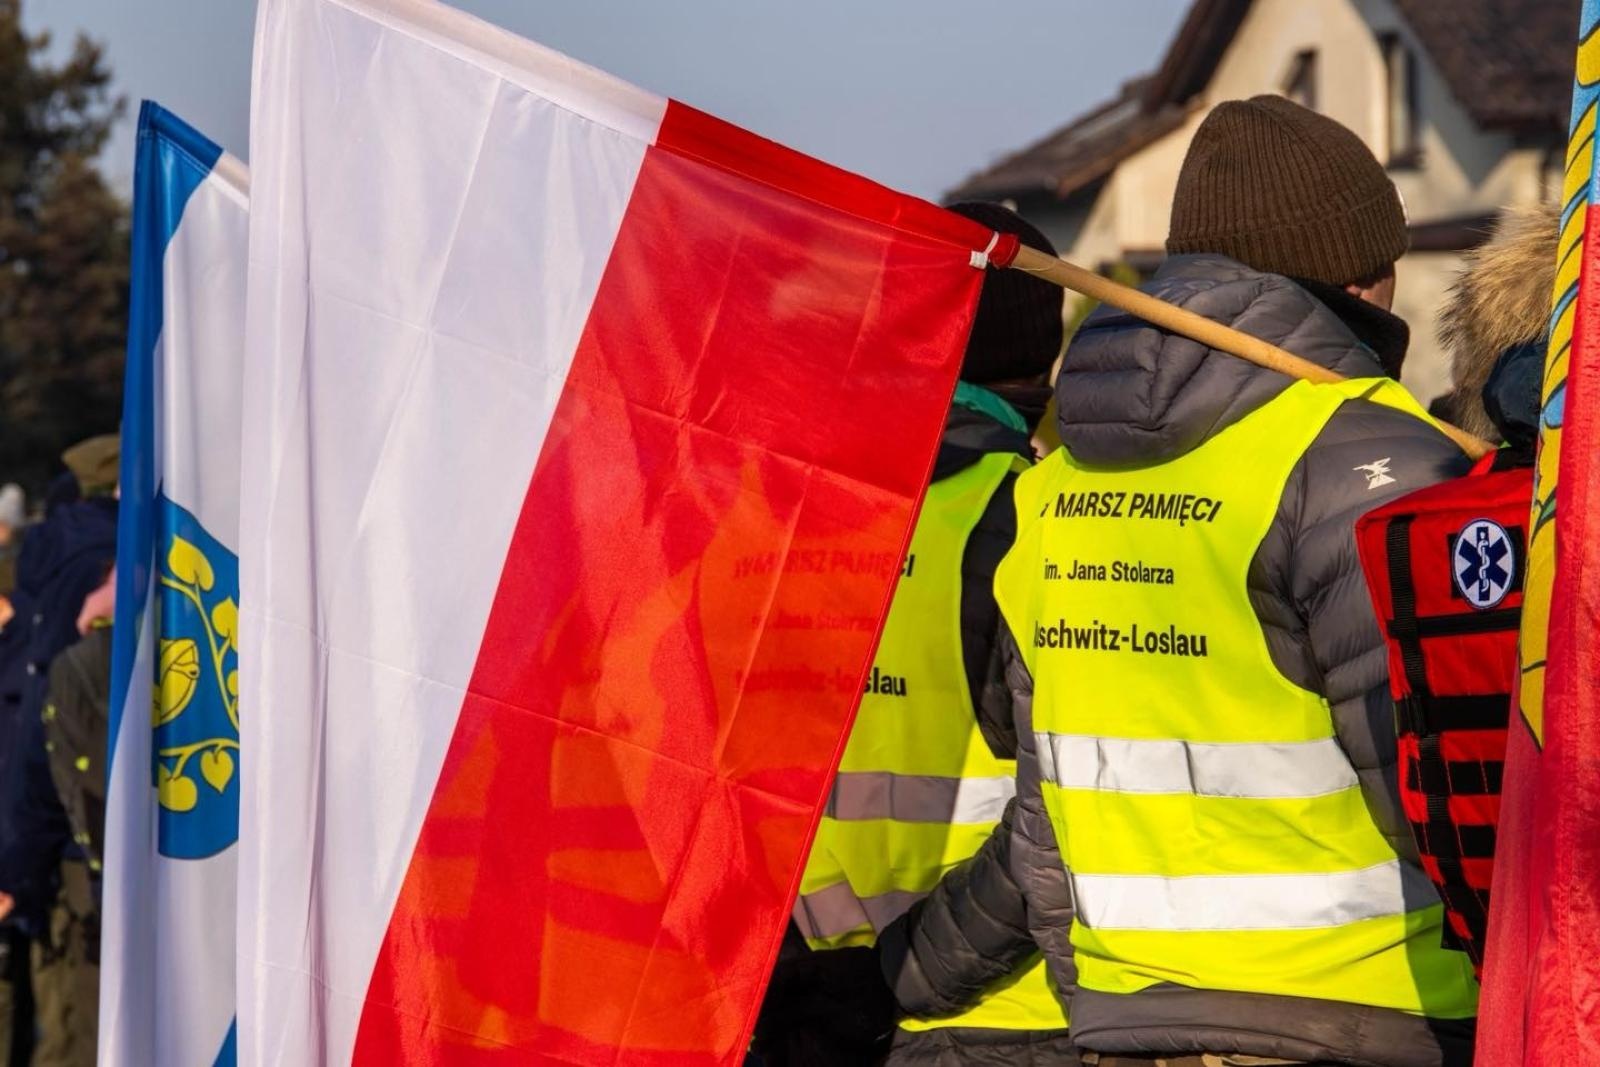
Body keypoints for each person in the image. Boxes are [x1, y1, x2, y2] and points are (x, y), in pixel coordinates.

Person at [882, 96, 1480, 1067]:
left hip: (1123, 1024)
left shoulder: (1051, 488)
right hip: (1370, 1015)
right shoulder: (1372, 460)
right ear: (1358, 281)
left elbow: (1045, 825)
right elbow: (1453, 804)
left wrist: (1093, 1002)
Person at [753, 204, 1073, 1066]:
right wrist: (895, 975)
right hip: (1004, 1015)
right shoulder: (1030, 521)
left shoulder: (785, 513)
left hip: (796, 1008)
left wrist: (795, 976)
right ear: (1042, 357)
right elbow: (1067, 812)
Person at [0, 435, 118, 1067]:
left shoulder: (53, 585)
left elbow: (37, 744)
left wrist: (20, 864)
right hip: (79, 848)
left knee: (73, 1027)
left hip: (67, 850)